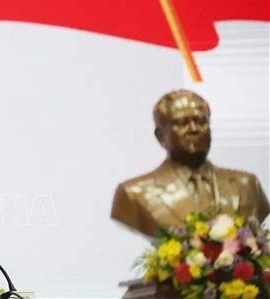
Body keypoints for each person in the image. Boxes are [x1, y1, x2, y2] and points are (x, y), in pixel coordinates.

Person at [111, 89, 269, 237]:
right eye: (181, 123)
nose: (194, 129)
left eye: (201, 121)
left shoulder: (247, 184)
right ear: (160, 136)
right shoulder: (135, 193)